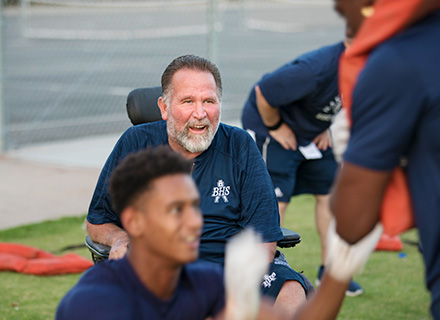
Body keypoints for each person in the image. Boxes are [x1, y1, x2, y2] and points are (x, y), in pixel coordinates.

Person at [85, 54, 308, 317]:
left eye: (209, 101)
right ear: (165, 107)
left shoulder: (240, 146)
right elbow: (97, 221)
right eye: (188, 101)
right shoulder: (135, 144)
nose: (200, 114)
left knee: (291, 292)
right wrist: (120, 238)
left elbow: (265, 240)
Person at [329, 0, 440, 319]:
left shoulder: (401, 60)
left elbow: (352, 222)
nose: (348, 26)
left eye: (346, 12)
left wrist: (354, 150)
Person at [241, 41, 363, 296]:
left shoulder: (369, 69)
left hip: (311, 134)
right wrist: (275, 128)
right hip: (271, 127)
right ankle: (265, 273)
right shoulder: (316, 69)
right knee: (275, 201)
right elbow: (265, 92)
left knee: (330, 196)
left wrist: (323, 126)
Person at [56, 146, 225, 319]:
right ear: (134, 222)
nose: (196, 222)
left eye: (195, 206)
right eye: (176, 210)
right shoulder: (93, 304)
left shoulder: (210, 281)